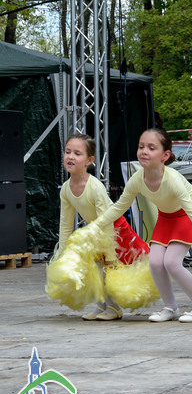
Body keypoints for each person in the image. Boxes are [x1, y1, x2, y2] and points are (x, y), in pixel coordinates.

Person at [94, 128, 192, 322]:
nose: (144, 151)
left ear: (165, 155)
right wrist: (96, 226)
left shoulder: (172, 180)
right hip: (166, 215)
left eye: (151, 148)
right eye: (141, 147)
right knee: (154, 262)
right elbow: (119, 207)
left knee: (171, 262)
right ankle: (171, 307)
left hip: (188, 212)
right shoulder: (137, 179)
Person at [59, 133, 150, 321]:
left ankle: (114, 308)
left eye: (77, 153)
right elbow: (65, 224)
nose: (70, 157)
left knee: (112, 269)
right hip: (95, 231)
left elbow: (107, 222)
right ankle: (101, 305)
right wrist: (62, 252)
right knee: (94, 269)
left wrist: (110, 255)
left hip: (115, 230)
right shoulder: (66, 189)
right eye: (68, 152)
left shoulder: (95, 187)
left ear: (89, 161)